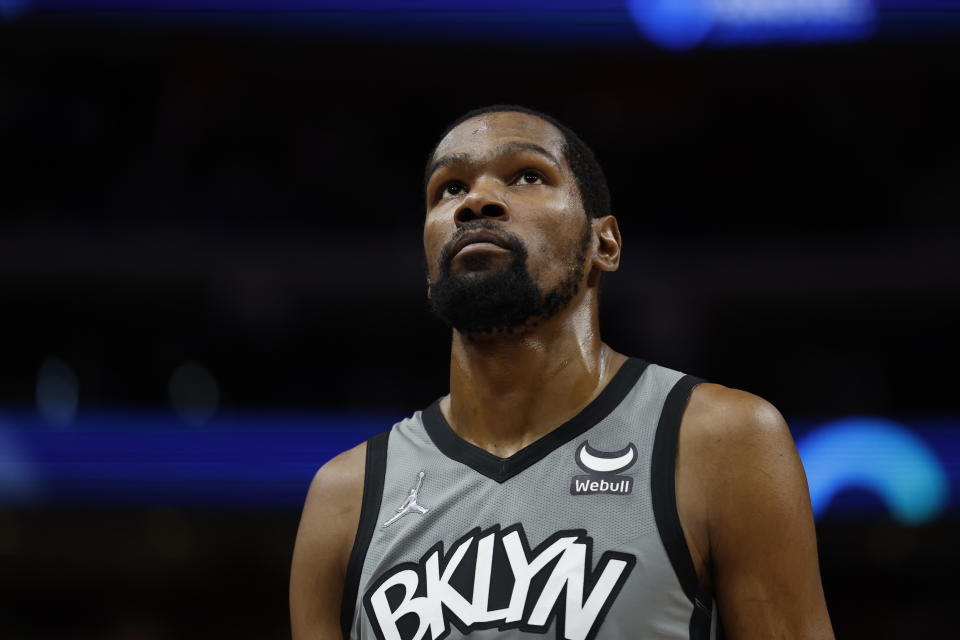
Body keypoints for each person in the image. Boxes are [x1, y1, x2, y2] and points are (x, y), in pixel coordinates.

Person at [289, 105, 834, 640]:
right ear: (429, 269)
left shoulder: (723, 440)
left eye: (527, 175)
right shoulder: (346, 495)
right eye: (449, 188)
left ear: (606, 243)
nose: (476, 200)